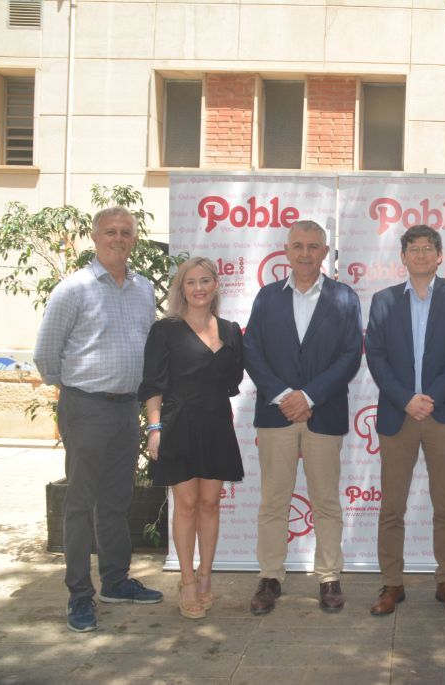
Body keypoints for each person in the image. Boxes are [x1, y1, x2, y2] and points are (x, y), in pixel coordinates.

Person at [34, 207, 164, 633]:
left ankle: (114, 581)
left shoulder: (144, 289)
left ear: (134, 239)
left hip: (126, 409)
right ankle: (79, 595)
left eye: (126, 232)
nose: (119, 238)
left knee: (117, 499)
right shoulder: (73, 289)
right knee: (79, 504)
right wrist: (75, 389)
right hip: (86, 406)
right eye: (110, 231)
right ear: (95, 237)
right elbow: (46, 354)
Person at [243, 220, 362, 615]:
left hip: (323, 413)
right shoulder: (267, 297)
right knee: (273, 500)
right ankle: (270, 576)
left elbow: (350, 355)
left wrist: (309, 396)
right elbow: (252, 351)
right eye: (298, 246)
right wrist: (284, 397)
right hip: (275, 414)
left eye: (314, 246)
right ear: (287, 250)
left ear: (325, 252)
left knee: (326, 499)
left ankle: (328, 576)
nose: (306, 253)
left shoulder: (344, 297)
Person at [364, 224, 445, 617]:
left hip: (442, 414)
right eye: (414, 248)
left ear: (439, 255)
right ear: (403, 256)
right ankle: (392, 583)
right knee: (392, 506)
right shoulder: (383, 301)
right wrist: (406, 400)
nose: (422, 254)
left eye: (429, 247)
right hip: (398, 414)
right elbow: (375, 356)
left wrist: (430, 399)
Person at [138, 257, 245, 619]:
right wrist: (155, 430)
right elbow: (153, 385)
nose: (199, 288)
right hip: (178, 424)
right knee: (185, 505)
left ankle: (205, 575)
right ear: (181, 289)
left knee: (210, 504)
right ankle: (186, 580)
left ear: (216, 285)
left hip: (216, 424)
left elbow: (233, 380)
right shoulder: (165, 330)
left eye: (205, 281)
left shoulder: (231, 330)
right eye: (191, 282)